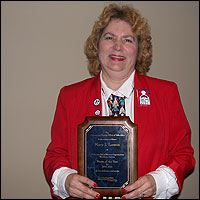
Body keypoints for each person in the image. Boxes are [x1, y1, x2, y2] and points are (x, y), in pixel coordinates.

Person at [43, 3, 195, 199]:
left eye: (128, 40)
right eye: (109, 37)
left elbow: (183, 153)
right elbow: (55, 155)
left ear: (139, 50)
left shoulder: (166, 93)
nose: (117, 46)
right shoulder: (69, 96)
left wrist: (158, 181)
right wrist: (65, 179)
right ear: (97, 45)